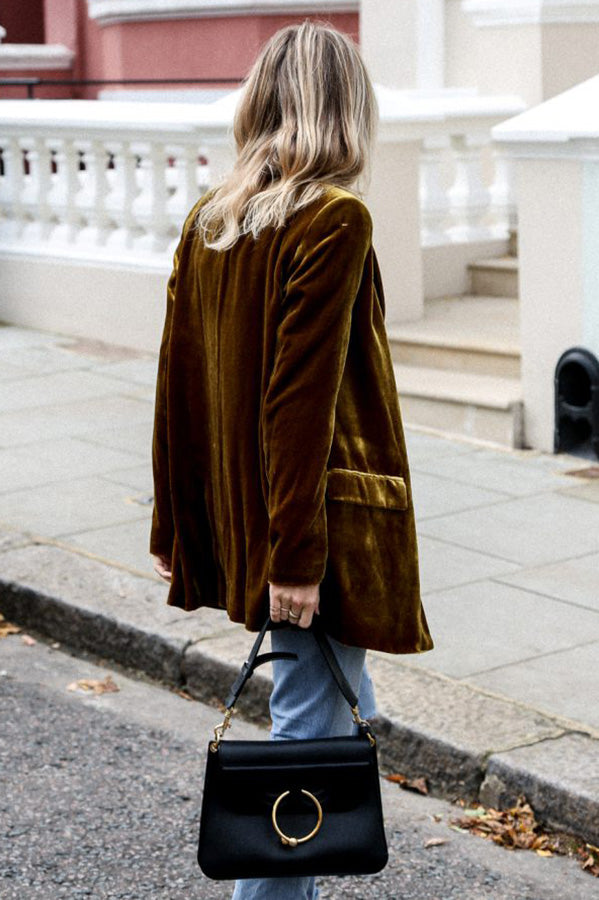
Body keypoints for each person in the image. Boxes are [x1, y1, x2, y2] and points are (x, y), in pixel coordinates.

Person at [149, 20, 433, 899]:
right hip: (307, 526)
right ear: (347, 109)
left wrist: (175, 521)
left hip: (252, 515)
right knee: (306, 747)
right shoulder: (334, 218)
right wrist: (298, 561)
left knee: (338, 715)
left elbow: (175, 389)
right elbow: (298, 405)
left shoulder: (212, 219)